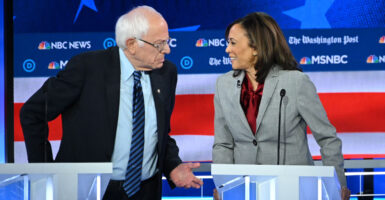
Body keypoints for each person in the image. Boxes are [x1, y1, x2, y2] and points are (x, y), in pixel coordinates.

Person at [20, 5, 203, 200]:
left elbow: (159, 132)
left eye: (167, 41)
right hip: (90, 191)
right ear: (132, 44)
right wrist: (45, 171)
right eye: (159, 44)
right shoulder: (87, 68)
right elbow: (32, 113)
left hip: (146, 191)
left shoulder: (166, 73)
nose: (167, 49)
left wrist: (172, 165)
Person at [212, 12, 350, 199]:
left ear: (256, 47)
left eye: (233, 42)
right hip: (245, 191)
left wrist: (337, 187)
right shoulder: (223, 85)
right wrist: (223, 187)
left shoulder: (295, 82)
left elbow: (327, 138)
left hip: (294, 190)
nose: (227, 49)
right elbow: (223, 144)